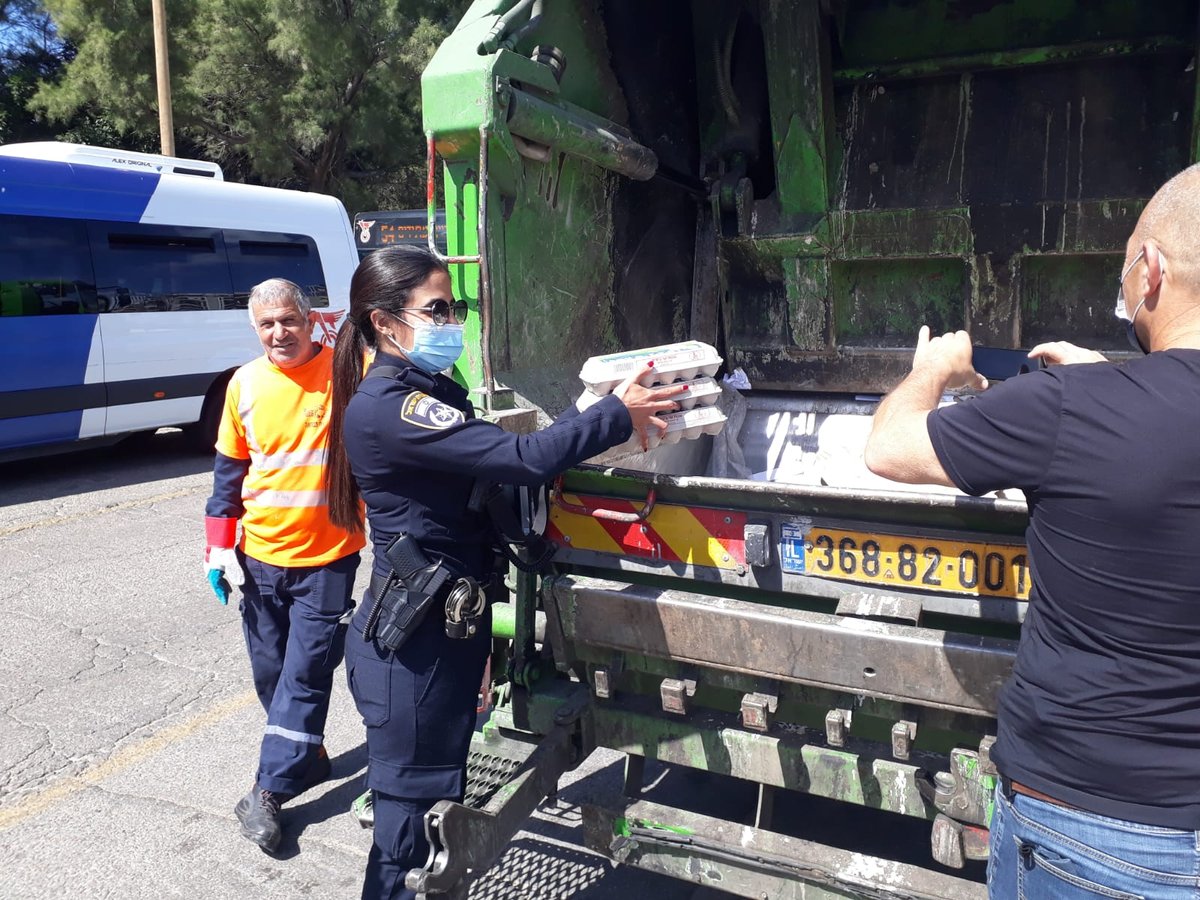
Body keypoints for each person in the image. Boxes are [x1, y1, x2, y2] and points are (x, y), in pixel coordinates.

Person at [864, 163, 1200, 899]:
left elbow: (887, 447)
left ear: (1151, 273)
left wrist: (932, 371)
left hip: (1083, 830)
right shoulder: (1083, 397)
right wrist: (1104, 379)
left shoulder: (1068, 406)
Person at [324, 245, 686, 899]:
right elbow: (521, 459)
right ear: (384, 323)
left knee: (435, 813)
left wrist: (592, 412)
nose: (451, 321)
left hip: (441, 638)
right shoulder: (392, 407)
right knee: (408, 837)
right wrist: (613, 415)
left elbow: (503, 463)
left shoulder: (428, 394)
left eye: (453, 307)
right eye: (436, 309)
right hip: (412, 656)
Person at [204, 278, 366, 853]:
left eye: (288, 322)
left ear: (310, 320)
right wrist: (218, 547)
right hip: (260, 557)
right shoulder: (243, 384)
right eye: (267, 324)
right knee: (270, 671)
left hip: (328, 557)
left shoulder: (349, 376)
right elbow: (229, 474)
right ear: (255, 328)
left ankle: (267, 792)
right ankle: (309, 754)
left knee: (303, 672)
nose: (279, 333)